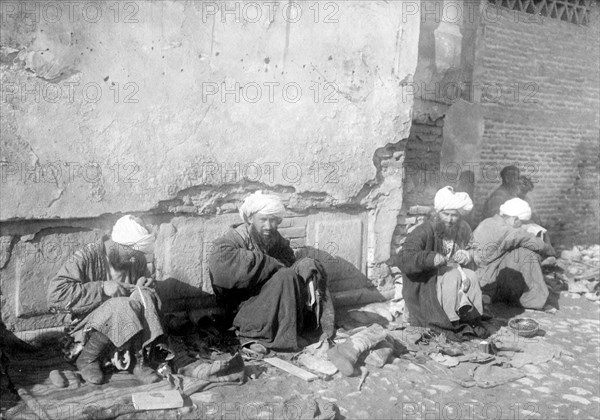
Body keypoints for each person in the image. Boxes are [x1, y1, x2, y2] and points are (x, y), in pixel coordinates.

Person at [208, 191, 334, 351]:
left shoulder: (274, 239)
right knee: (285, 275)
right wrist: (270, 264)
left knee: (310, 266)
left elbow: (288, 263)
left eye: (273, 220)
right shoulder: (230, 241)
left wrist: (301, 266)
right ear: (250, 219)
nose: (268, 226)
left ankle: (314, 330)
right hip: (243, 310)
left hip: (274, 302)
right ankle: (256, 336)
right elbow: (222, 275)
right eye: (263, 220)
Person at [47, 215, 163, 385]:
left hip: (125, 328)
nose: (134, 259)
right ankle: (87, 359)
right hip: (87, 326)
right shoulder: (86, 256)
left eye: (137, 254)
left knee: (145, 294)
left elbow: (144, 284)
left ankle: (138, 360)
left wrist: (145, 284)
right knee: (122, 304)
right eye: (130, 253)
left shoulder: (135, 259)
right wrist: (101, 288)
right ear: (117, 244)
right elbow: (55, 296)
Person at [391, 186, 485, 339]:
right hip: (427, 279)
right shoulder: (424, 231)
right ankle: (450, 320)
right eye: (446, 214)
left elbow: (477, 253)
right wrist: (430, 258)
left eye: (454, 215)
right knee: (452, 276)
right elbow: (404, 258)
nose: (450, 219)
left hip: (455, 274)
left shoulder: (463, 229)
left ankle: (471, 317)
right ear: (437, 213)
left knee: (472, 276)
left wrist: (467, 255)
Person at [472, 198, 555, 309]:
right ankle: (533, 300)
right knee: (526, 254)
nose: (521, 226)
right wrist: (551, 252)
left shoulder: (487, 222)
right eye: (522, 223)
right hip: (487, 278)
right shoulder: (509, 230)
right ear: (515, 219)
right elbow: (537, 244)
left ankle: (489, 295)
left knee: (517, 251)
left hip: (477, 274)